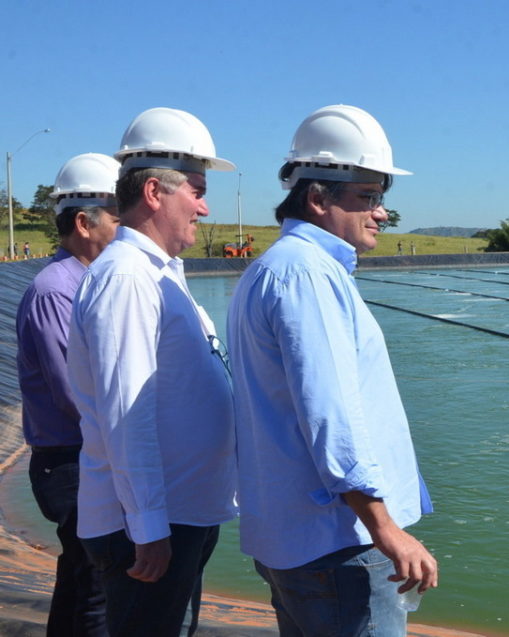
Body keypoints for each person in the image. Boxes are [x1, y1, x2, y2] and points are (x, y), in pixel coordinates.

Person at [228, 104, 437, 637]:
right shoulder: (306, 276)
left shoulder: (273, 269)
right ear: (318, 198)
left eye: (381, 198)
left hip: (297, 540)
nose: (382, 213)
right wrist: (386, 528)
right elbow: (332, 417)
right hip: (338, 547)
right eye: (367, 198)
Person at [67, 108, 237, 636]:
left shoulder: (156, 273)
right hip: (148, 527)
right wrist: (148, 527)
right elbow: (126, 415)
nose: (205, 207)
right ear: (155, 193)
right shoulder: (128, 279)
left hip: (178, 515)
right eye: (198, 190)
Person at [16, 152, 121, 636]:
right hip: (72, 462)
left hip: (86, 456)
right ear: (83, 222)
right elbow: (72, 393)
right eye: (119, 216)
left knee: (81, 581)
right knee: (99, 590)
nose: (128, 228)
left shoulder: (92, 283)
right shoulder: (57, 290)